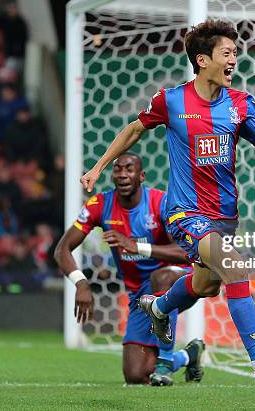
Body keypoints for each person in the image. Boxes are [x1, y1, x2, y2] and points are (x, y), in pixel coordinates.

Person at [80, 20, 255, 389]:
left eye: (235, 52)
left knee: (206, 286)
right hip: (184, 212)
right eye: (226, 53)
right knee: (233, 266)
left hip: (224, 217)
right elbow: (134, 129)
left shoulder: (241, 104)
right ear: (203, 60)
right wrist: (98, 167)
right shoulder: (170, 101)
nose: (235, 59)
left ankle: (160, 307)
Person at [56, 152, 204, 386]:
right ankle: (187, 356)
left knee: (161, 277)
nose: (123, 174)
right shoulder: (100, 205)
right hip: (139, 296)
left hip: (178, 281)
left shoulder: (161, 202)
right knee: (136, 376)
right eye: (118, 169)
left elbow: (187, 251)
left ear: (141, 176)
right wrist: (81, 283)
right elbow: (62, 249)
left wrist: (137, 246)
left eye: (129, 169)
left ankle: (165, 362)